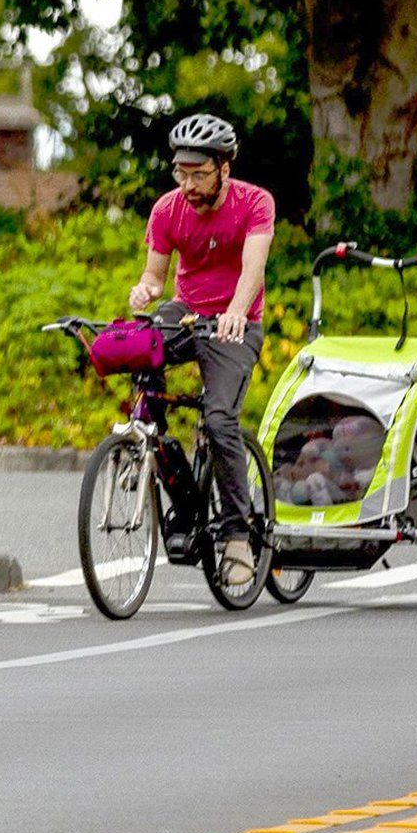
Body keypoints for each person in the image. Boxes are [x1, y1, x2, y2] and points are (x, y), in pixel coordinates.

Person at [127, 112, 276, 585]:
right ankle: (155, 447)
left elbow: (252, 269)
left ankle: (236, 535)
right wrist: (146, 289)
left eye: (198, 174)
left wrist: (235, 309)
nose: (187, 184)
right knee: (138, 346)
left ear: (223, 169)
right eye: (180, 173)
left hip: (236, 322)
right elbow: (155, 273)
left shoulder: (255, 203)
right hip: (187, 312)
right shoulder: (167, 209)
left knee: (218, 419)